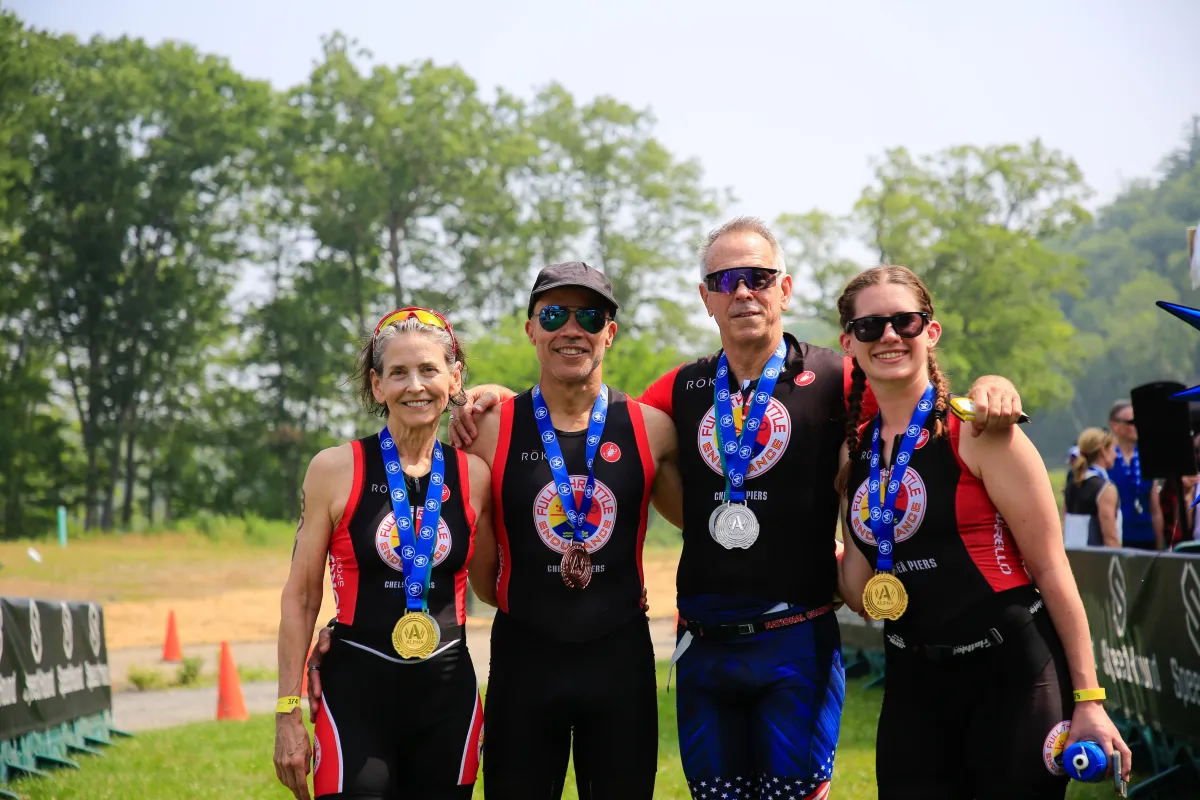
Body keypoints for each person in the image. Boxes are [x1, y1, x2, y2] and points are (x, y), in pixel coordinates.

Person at [452, 216, 1024, 800]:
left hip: (796, 636)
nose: (743, 291)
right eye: (725, 280)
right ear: (706, 298)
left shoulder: (840, 374)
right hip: (706, 639)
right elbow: (586, 418)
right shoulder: (678, 391)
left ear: (785, 288)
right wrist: (498, 398)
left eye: (757, 276)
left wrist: (990, 384)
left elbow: (916, 383)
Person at [310, 263, 680, 800]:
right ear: (532, 329)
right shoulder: (487, 428)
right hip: (524, 663)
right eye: (553, 314)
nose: (571, 329)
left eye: (589, 315)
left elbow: (713, 522)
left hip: (618, 661)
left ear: (610, 331)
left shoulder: (652, 428)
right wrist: (349, 631)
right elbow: (413, 514)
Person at [835, 265, 1131, 799]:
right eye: (870, 326)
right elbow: (859, 588)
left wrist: (1089, 699)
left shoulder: (980, 431)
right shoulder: (854, 452)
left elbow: (1051, 569)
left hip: (1012, 677)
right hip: (912, 681)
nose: (889, 336)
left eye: (905, 321)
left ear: (931, 330)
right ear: (847, 342)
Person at [274, 308, 496, 800]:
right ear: (377, 386)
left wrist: (501, 395)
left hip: (448, 700)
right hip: (356, 698)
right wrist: (288, 707)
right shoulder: (334, 469)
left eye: (429, 370)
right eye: (398, 372)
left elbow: (496, 587)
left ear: (455, 376)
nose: (414, 385)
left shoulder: (474, 476)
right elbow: (301, 597)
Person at [1107, 400, 1164, 550]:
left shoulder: (1147, 456)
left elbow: (1155, 508)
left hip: (1146, 536)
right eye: (1131, 422)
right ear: (1115, 425)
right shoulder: (1107, 458)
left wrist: (1160, 547)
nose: (1137, 426)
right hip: (1119, 538)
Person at [1063, 428, 1121, 548]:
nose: (1115, 454)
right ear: (1103, 451)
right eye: (1113, 449)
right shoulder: (1105, 488)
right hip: (1094, 561)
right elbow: (1110, 537)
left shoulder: (1071, 484)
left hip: (1071, 558)